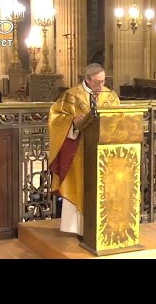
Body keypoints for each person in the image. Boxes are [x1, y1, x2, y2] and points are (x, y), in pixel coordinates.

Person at [48, 63, 120, 237]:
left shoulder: (110, 96)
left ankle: (101, 227)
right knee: (78, 184)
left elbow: (119, 117)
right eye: (96, 82)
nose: (100, 85)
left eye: (103, 81)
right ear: (86, 79)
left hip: (103, 152)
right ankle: (76, 228)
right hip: (78, 152)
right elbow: (56, 118)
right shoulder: (71, 96)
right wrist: (72, 122)